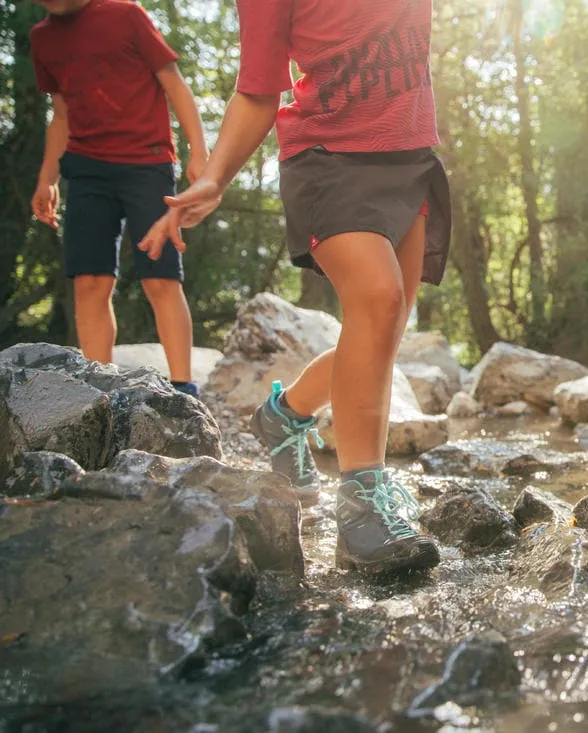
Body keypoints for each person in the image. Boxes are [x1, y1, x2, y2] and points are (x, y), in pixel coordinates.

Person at [138, 0, 451, 577]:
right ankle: (361, 511)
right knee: (378, 303)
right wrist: (214, 178)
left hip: (407, 160)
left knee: (379, 334)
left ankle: (286, 415)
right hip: (328, 161)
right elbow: (259, 89)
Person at [30, 0, 207, 397]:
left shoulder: (126, 14)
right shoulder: (42, 38)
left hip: (147, 164)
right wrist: (47, 178)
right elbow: (60, 114)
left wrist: (200, 153)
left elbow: (173, 82)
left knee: (160, 277)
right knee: (89, 281)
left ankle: (183, 390)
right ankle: (100, 391)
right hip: (87, 169)